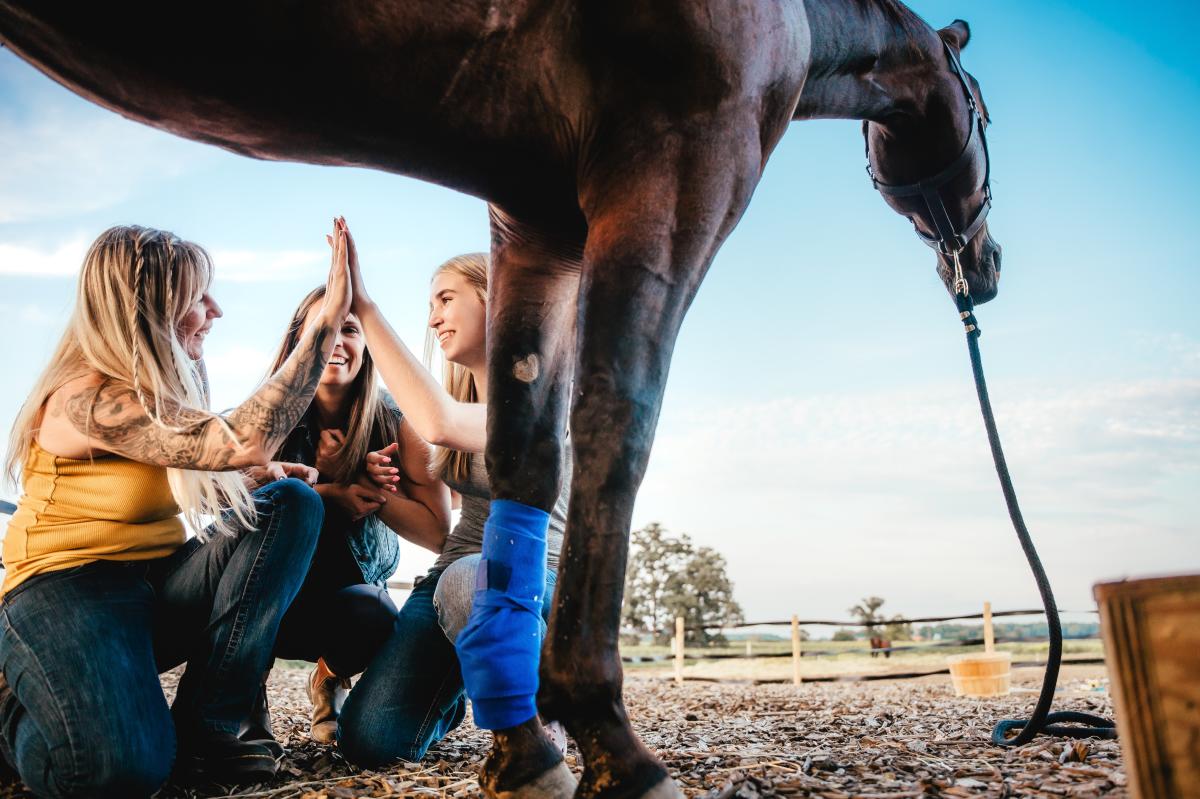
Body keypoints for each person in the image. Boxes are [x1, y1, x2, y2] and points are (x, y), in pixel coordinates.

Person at [0, 220, 351, 798]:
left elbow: (200, 466)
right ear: (146, 311)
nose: (215, 309)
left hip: (153, 584)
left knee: (289, 502)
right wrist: (327, 319)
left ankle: (211, 729)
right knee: (119, 774)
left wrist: (253, 478)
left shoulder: (160, 396)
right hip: (64, 591)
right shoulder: (83, 398)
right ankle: (13, 711)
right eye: (196, 297)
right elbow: (241, 437)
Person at [328, 221, 569, 766]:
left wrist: (362, 305)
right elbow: (439, 519)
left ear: (495, 298)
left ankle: (532, 724)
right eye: (430, 304)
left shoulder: (546, 394)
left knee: (472, 577)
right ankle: (463, 680)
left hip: (540, 582)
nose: (433, 316)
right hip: (452, 580)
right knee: (369, 742)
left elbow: (436, 421)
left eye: (446, 298)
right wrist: (370, 485)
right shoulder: (460, 406)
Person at [242, 285, 450, 748]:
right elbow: (225, 510)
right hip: (265, 603)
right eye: (322, 328)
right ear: (297, 341)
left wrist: (367, 481)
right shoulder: (262, 419)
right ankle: (244, 688)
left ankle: (330, 678)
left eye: (350, 329)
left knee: (374, 611)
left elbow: (438, 533)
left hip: (341, 604)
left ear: (366, 345)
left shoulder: (399, 423)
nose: (337, 340)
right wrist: (329, 490)